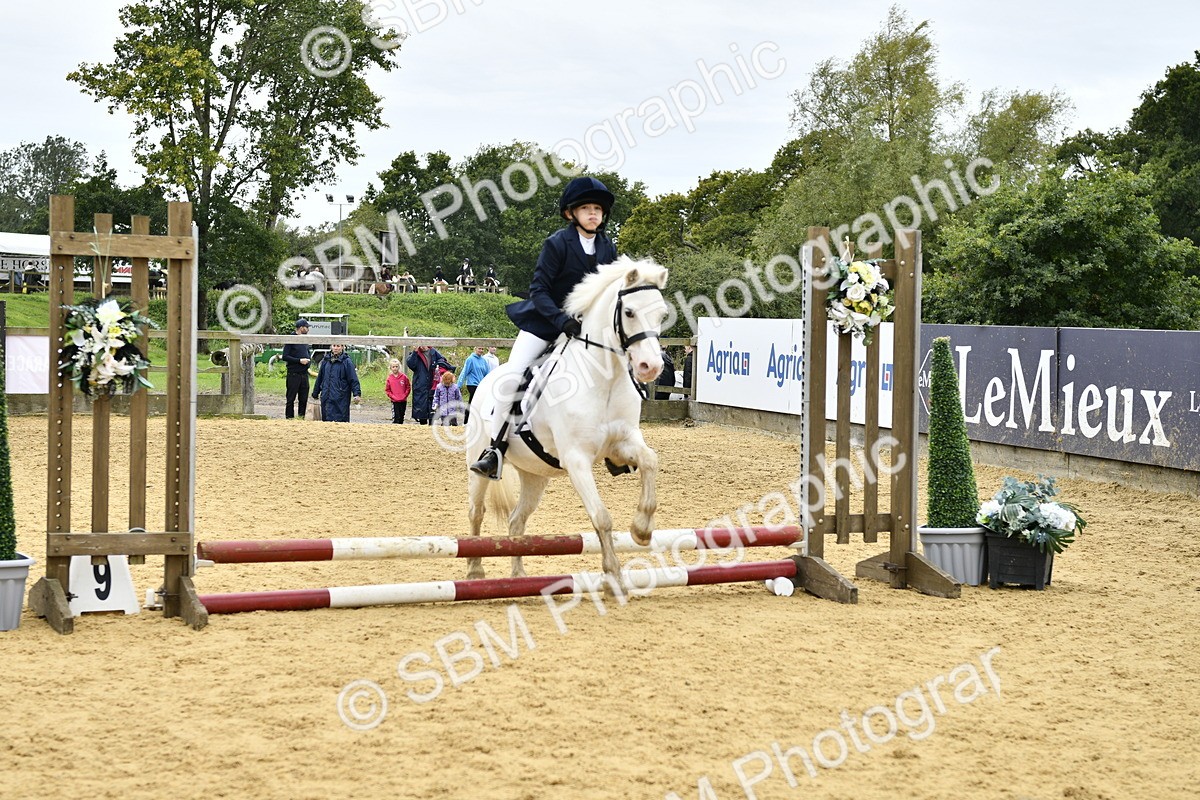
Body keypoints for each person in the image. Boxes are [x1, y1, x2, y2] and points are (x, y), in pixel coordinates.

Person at [470, 176, 617, 479]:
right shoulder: (556, 244)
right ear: (570, 213)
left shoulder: (607, 249)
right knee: (511, 378)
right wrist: (561, 320)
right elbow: (539, 290)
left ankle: (615, 446)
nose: (593, 213)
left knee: (617, 374)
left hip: (587, 333)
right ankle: (495, 449)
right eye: (587, 208)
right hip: (545, 325)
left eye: (598, 209)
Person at [312, 343, 362, 422]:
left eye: (338, 346)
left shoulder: (347, 362)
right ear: (331, 347)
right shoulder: (325, 360)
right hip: (326, 395)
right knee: (326, 420)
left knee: (340, 421)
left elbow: (353, 379)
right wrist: (315, 392)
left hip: (341, 397)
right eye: (334, 346)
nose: (335, 348)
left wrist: (357, 394)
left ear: (342, 347)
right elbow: (320, 378)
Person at [406, 344, 454, 425]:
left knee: (433, 405)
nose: (422, 346)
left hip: (433, 383)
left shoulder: (433, 352)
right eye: (420, 345)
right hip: (420, 384)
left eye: (423, 344)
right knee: (421, 407)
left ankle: (432, 423)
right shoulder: (415, 354)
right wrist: (415, 352)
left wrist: (437, 367)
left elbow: (443, 361)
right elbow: (411, 365)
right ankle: (422, 424)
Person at [281, 319, 312, 419]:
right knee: (291, 399)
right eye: (307, 327)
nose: (308, 329)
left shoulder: (304, 340)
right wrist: (299, 360)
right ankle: (289, 418)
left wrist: (308, 361)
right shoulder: (291, 339)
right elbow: (285, 356)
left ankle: (301, 417)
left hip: (304, 374)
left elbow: (308, 352)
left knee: (303, 399)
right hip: (293, 374)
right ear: (301, 327)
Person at [457, 346, 493, 425]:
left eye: (482, 349)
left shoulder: (484, 360)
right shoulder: (470, 359)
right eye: (479, 348)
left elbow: (487, 374)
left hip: (481, 385)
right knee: (472, 402)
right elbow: (464, 372)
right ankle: (466, 422)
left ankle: (477, 422)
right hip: (472, 384)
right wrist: (458, 385)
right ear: (475, 349)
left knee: (480, 403)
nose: (481, 350)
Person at [385, 359, 411, 424]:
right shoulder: (389, 378)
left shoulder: (404, 377)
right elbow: (387, 390)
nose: (395, 368)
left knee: (402, 416)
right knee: (396, 417)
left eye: (396, 366)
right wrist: (392, 396)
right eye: (393, 367)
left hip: (403, 400)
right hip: (395, 401)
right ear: (390, 368)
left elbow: (408, 387)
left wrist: (405, 395)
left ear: (399, 367)